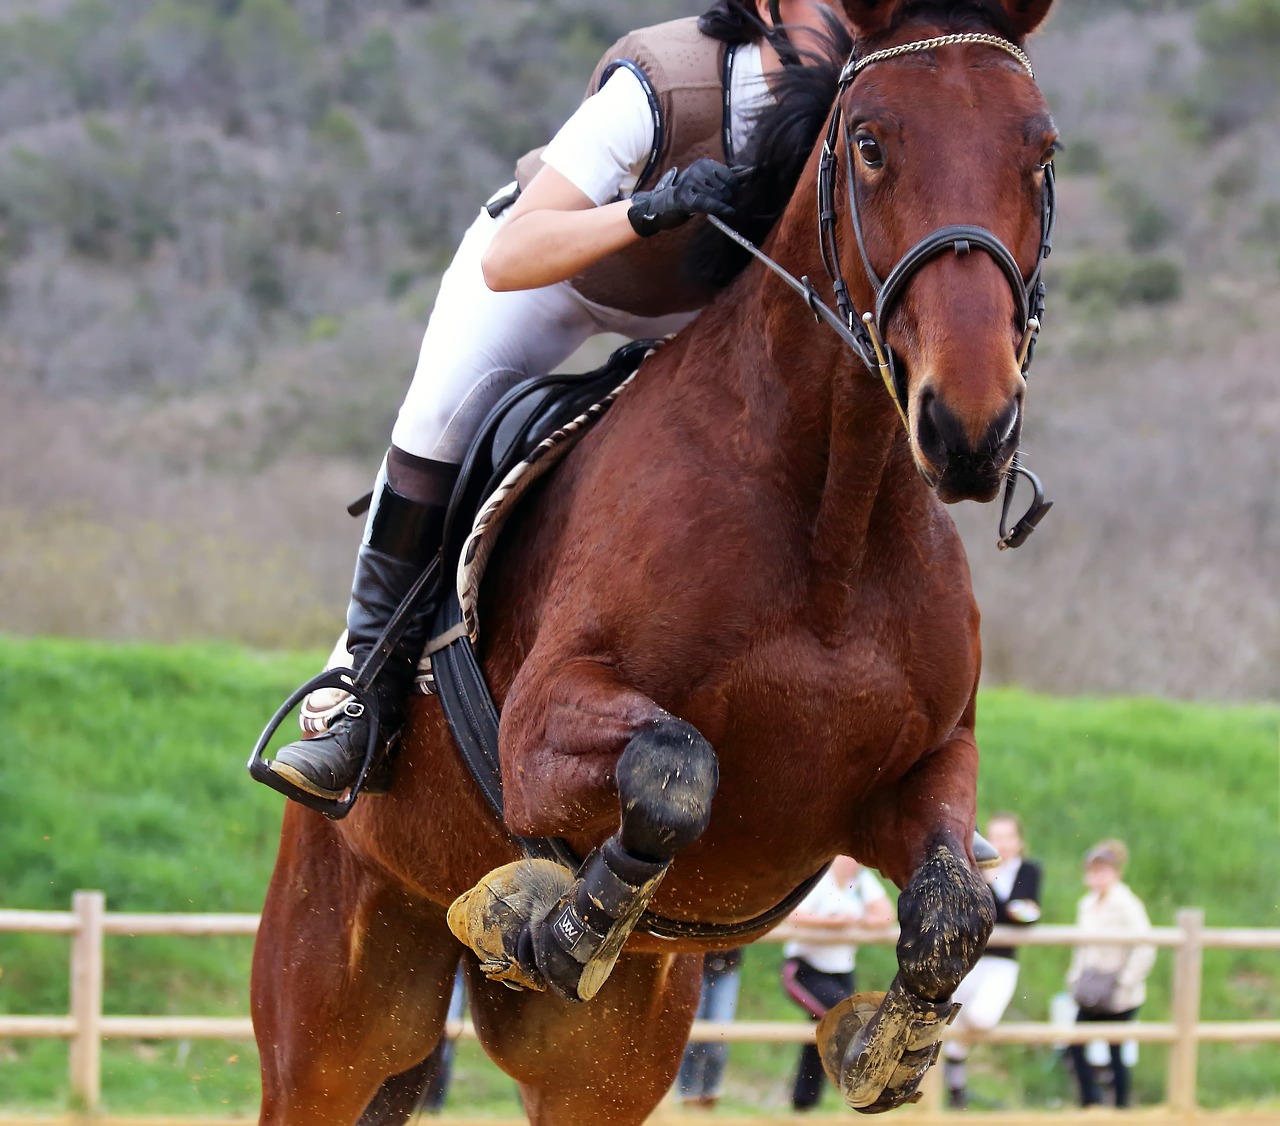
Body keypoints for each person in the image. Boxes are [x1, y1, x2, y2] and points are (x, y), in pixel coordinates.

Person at [264, 0, 843, 803]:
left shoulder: (865, 93)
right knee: (439, 422)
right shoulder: (664, 82)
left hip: (697, 316)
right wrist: (649, 209)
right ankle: (364, 693)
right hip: (553, 277)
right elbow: (513, 257)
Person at [943, 812, 1042, 1109]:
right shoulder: (970, 869)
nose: (1003, 844)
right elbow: (985, 912)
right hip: (968, 958)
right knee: (947, 1019)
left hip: (1002, 961)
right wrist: (1010, 909)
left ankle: (954, 1069)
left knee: (982, 1018)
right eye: (996, 837)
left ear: (1020, 841)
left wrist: (1002, 900)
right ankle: (954, 1087)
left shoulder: (1029, 870)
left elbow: (1028, 915)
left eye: (1008, 837)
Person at [781, 856, 893, 1113]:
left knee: (823, 1031)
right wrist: (833, 923)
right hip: (807, 968)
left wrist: (859, 921)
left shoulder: (863, 882)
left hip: (842, 970)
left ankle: (804, 1102)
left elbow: (885, 917)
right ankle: (868, 1090)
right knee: (849, 1019)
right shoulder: (820, 879)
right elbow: (794, 915)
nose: (852, 862)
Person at [1065, 840, 1156, 1109]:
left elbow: (1144, 946)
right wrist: (1076, 978)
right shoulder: (1087, 904)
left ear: (1116, 873)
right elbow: (1082, 948)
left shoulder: (1127, 905)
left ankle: (1121, 1107)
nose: (1097, 878)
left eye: (1102, 871)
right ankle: (1090, 1102)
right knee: (1076, 1047)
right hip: (1092, 987)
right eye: (1093, 872)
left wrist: (1126, 980)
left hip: (1118, 991)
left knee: (1115, 1052)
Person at [676, 948, 744, 1110]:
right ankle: (688, 1095)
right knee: (691, 1034)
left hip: (727, 964)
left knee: (719, 1035)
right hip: (693, 962)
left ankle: (710, 1094)